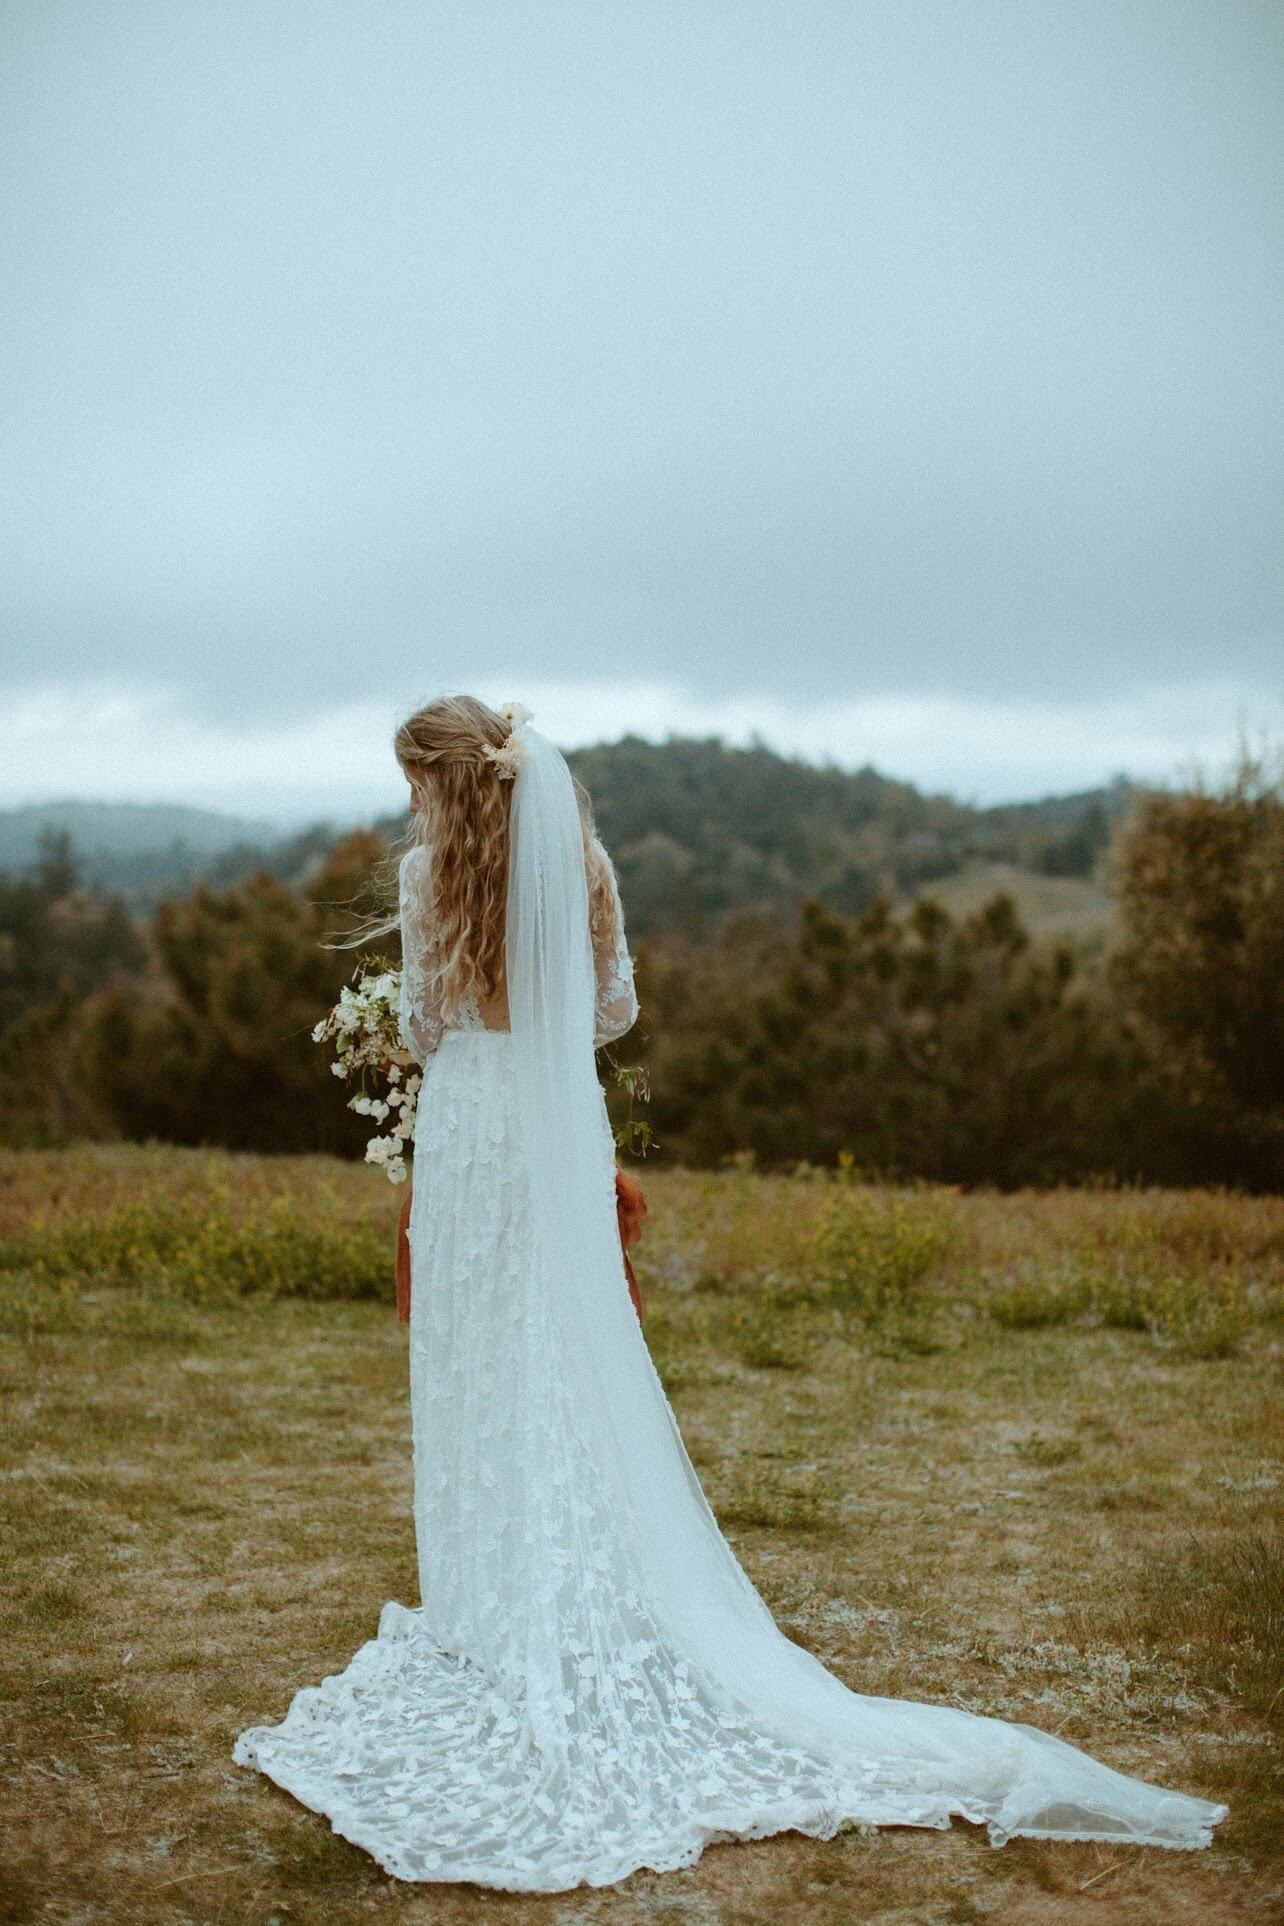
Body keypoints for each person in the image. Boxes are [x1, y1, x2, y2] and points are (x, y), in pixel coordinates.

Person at [231, 694, 1227, 1891]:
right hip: (551, 1128)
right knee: (564, 1357)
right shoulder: (582, 862)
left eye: (412, 785)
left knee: (479, 1361)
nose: (406, 806)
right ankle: (568, 1581)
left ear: (441, 787)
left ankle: (494, 1608)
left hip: (470, 1139)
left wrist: (474, 1034)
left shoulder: (421, 878)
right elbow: (615, 1013)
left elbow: (433, 1023)